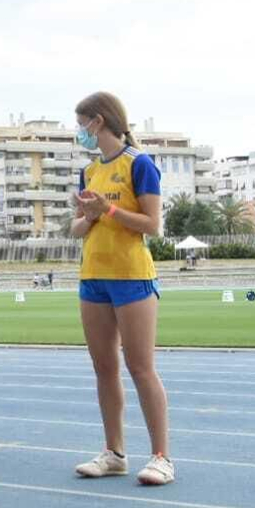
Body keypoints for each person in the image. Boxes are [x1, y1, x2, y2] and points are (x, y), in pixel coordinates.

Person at [69, 92, 174, 486]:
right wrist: (88, 215)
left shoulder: (140, 164)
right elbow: (78, 227)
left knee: (141, 367)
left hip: (132, 276)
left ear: (98, 121)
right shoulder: (90, 171)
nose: (79, 132)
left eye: (81, 124)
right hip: (93, 276)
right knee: (104, 367)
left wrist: (107, 210)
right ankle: (114, 452)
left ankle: (162, 456)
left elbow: (152, 224)